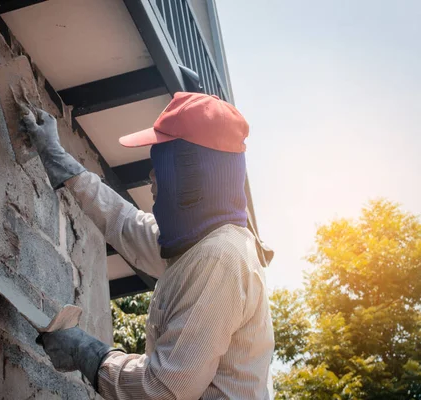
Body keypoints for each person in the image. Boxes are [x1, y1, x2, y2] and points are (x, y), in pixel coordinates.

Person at [20, 92, 275, 399]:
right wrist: (56, 157)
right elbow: (123, 221)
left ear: (189, 171)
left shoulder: (218, 258)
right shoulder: (198, 244)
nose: (152, 176)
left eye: (160, 162)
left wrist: (86, 353)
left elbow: (164, 389)